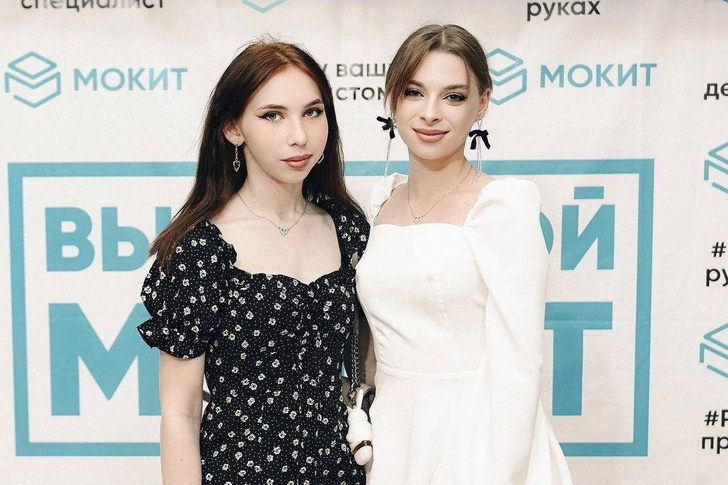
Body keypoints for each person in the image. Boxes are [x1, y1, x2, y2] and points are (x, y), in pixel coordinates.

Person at [137, 39, 368, 485]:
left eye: (313, 112)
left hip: (339, 471)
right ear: (232, 128)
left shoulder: (348, 229)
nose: (299, 135)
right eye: (272, 116)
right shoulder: (200, 250)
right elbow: (180, 414)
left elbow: (368, 372)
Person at [355, 24, 573, 484]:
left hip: (478, 437)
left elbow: (518, 363)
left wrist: (498, 469)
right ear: (392, 99)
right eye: (414, 92)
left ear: (482, 102)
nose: (430, 113)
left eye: (453, 96)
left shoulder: (503, 207)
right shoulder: (379, 202)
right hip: (392, 440)